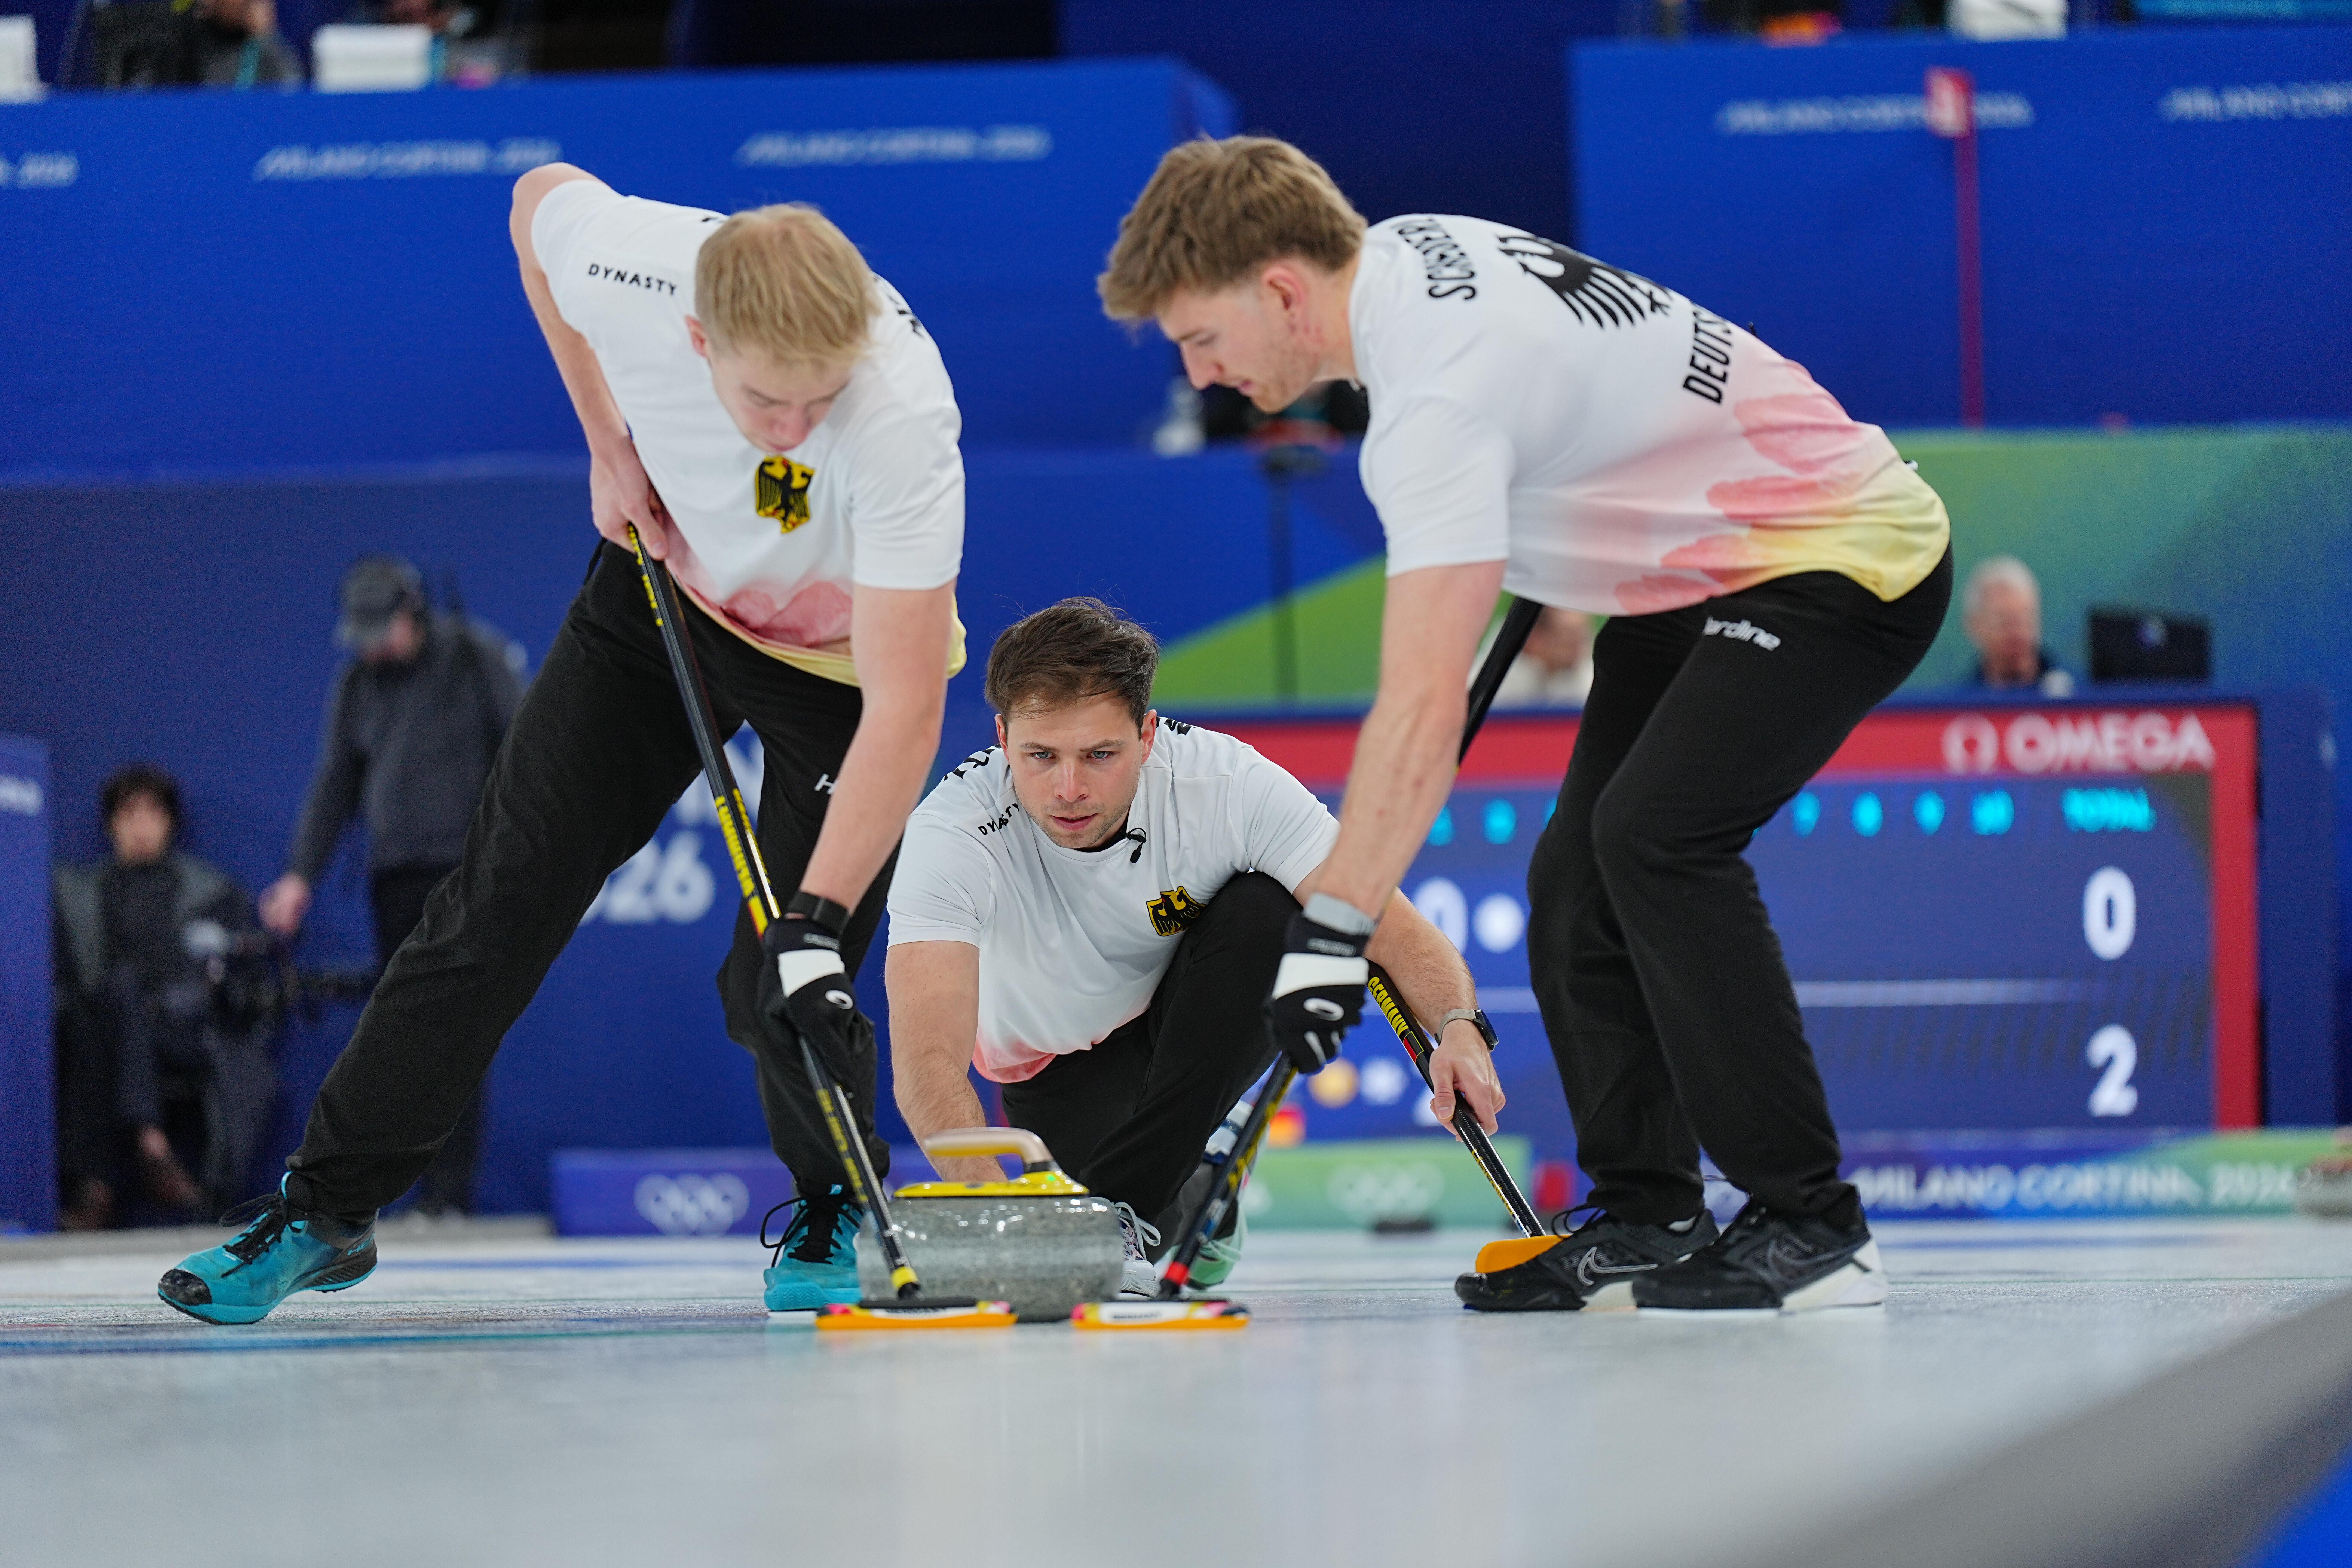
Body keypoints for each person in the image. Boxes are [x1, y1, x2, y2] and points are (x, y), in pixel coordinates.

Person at [1100, 137, 1952, 1314]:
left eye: (1201, 339)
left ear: (1282, 291)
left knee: (1655, 837)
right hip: (1682, 568)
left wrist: (1332, 929)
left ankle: (1812, 1223)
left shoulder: (1433, 399)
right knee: (1573, 874)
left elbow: (1417, 705)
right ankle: (1647, 1211)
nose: (1199, 375)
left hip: (1837, 553)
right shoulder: (1402, 249)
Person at [160, 163, 967, 1324]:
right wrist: (606, 442)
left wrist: (817, 924)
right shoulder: (632, 263)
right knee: (497, 902)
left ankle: (835, 1202)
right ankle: (326, 1210)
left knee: (779, 978)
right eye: (766, 404)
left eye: (818, 403)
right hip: (661, 594)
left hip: (837, 668)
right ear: (696, 337)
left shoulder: (900, 415)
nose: (795, 436)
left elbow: (901, 708)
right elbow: (535, 203)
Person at [887, 599, 1505, 1296]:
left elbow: (1389, 922)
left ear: (1147, 735)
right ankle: (1209, 1179)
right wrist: (1005, 1219)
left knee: (1275, 907)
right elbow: (926, 1062)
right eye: (1040, 756)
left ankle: (1132, 1196)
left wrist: (1458, 1026)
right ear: (1002, 738)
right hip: (1049, 1067)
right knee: (1154, 1218)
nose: (1069, 788)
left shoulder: (1224, 783)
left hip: (1188, 1021)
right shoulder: (950, 834)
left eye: (1099, 755)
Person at [258, 555, 526, 1216]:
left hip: (469, 872)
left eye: (383, 627)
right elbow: (334, 785)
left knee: (460, 1027)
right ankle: (396, 1192)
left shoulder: (474, 656)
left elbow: (524, 752)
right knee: (403, 1035)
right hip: (393, 878)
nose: (375, 643)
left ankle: (451, 1194)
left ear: (412, 610)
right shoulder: (357, 684)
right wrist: (299, 876)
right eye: (364, 632)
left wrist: (517, 856)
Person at [53, 766, 269, 1228]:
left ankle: (95, 1190)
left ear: (171, 821)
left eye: (153, 811)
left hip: (181, 1032)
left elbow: (222, 980)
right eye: (129, 812)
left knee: (122, 998)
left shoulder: (208, 891)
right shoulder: (81, 894)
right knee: (105, 1007)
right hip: (107, 1023)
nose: (141, 825)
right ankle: (151, 1143)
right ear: (111, 823)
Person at [1959, 555, 2074, 697]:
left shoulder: (2082, 700)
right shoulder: (1958, 709)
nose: (2016, 632)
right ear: (1974, 625)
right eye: (2004, 621)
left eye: (2025, 618)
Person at [1491, 605, 1595, 709]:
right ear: (1535, 637)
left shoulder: (1587, 679)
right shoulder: (1499, 679)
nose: (1578, 649)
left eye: (1581, 637)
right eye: (1569, 637)